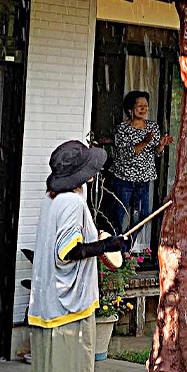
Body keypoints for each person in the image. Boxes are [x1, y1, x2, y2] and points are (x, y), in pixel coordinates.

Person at [28, 141, 126, 372]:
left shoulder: (52, 199)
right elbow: (69, 251)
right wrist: (107, 245)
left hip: (47, 307)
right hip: (68, 312)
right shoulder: (72, 202)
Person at [108, 91, 173, 240]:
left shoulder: (153, 127)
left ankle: (126, 246)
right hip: (123, 179)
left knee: (142, 215)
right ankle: (114, 248)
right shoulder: (123, 128)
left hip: (144, 179)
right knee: (118, 215)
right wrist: (144, 141)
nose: (144, 109)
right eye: (140, 106)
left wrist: (161, 145)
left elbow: (156, 152)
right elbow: (126, 153)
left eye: (146, 106)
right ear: (130, 108)